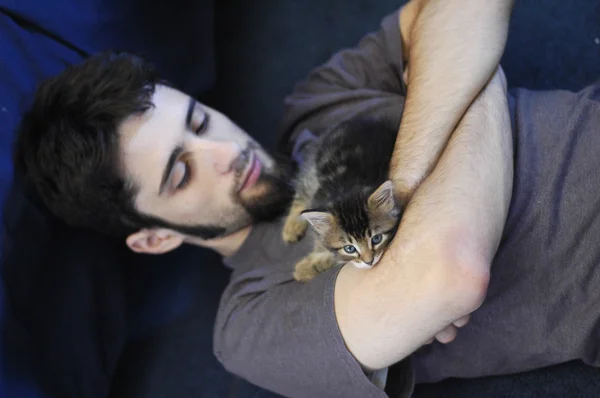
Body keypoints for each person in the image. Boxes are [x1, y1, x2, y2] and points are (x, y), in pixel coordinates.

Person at [11, 1, 600, 397]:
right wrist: (473, 80)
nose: (223, 150)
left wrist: (412, 181)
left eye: (196, 120)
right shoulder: (250, 321)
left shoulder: (314, 103)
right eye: (181, 171)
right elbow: (450, 272)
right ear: (156, 236)